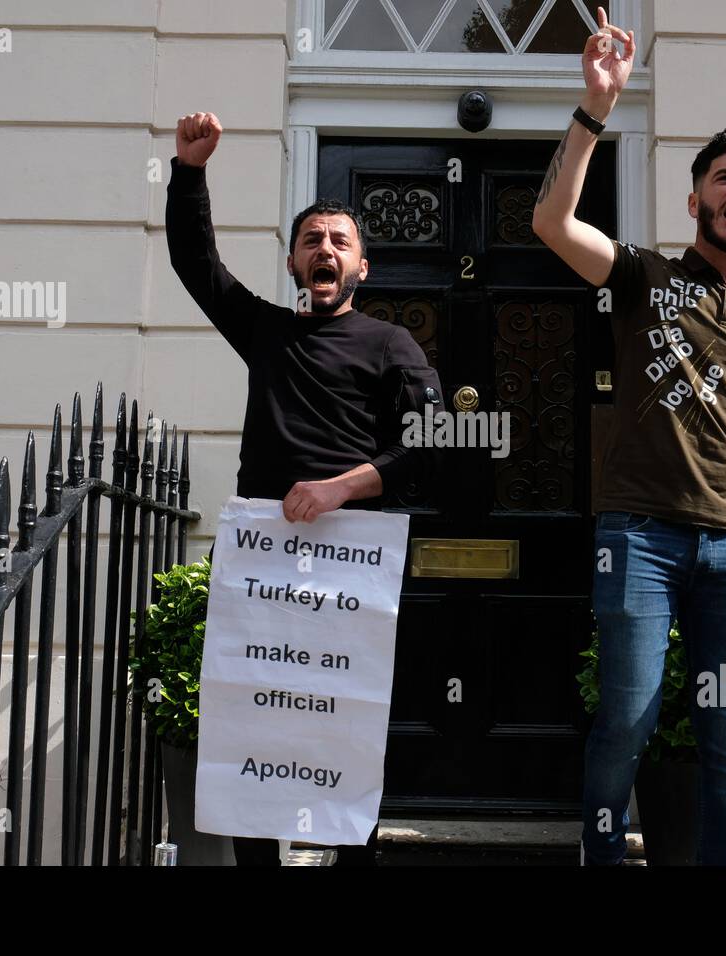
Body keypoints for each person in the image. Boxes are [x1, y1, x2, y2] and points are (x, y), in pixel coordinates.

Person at [531, 8, 726, 865]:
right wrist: (597, 108)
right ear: (694, 198)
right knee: (626, 715)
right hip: (640, 538)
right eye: (725, 176)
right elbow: (552, 225)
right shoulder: (643, 276)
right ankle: (598, 851)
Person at [166, 111, 444, 866]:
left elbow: (433, 442)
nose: (325, 249)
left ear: (362, 269)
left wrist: (340, 489)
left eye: (339, 242)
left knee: (343, 726)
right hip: (266, 559)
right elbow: (197, 266)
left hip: (356, 561)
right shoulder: (265, 331)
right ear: (293, 264)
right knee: (256, 722)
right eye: (312, 241)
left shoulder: (391, 343)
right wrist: (189, 172)